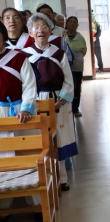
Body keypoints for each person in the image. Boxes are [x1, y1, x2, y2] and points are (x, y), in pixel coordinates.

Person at [22, 12, 77, 192]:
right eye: (36, 28)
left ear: (50, 31)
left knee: (60, 139)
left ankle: (63, 178)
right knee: (41, 141)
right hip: (37, 101)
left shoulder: (59, 53)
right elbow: (25, 83)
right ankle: (44, 178)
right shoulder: (25, 56)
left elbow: (69, 80)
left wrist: (60, 101)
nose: (40, 31)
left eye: (44, 27)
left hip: (58, 100)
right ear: (30, 33)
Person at [0, 21, 38, 222]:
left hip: (19, 113)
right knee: (2, 160)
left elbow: (30, 86)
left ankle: (37, 204)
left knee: (27, 156)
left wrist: (26, 107)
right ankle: (4, 208)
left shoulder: (18, 58)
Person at [64, 16, 88, 118]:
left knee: (77, 87)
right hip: (65, 66)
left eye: (75, 22)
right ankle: (66, 108)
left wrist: (76, 57)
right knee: (66, 86)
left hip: (77, 66)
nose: (72, 24)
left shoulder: (80, 37)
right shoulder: (63, 36)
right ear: (67, 24)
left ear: (77, 25)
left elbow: (84, 51)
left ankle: (75, 108)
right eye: (70, 22)